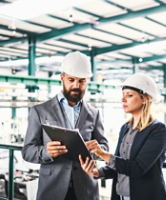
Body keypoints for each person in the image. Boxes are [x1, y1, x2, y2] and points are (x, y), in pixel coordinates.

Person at [22, 51, 109, 200]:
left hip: (85, 191)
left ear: (87, 80)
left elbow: (105, 147)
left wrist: (94, 151)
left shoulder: (94, 113)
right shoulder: (40, 111)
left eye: (81, 81)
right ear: (62, 78)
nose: (76, 85)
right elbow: (27, 151)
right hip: (52, 190)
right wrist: (46, 152)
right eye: (71, 80)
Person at [79, 73, 166, 200]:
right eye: (123, 95)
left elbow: (138, 168)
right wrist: (96, 173)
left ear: (145, 99)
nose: (123, 99)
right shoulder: (125, 128)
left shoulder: (157, 130)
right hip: (121, 196)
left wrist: (102, 153)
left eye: (130, 95)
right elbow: (118, 165)